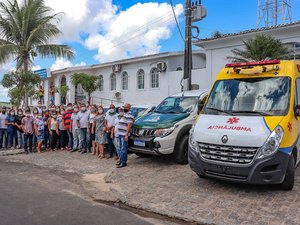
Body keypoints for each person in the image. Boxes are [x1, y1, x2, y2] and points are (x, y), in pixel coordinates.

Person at [116, 103, 134, 168]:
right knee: (120, 148)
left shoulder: (130, 115)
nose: (125, 108)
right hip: (120, 134)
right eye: (124, 107)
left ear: (129, 108)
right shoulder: (124, 115)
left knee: (123, 149)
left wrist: (126, 135)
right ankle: (121, 160)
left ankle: (124, 162)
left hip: (124, 135)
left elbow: (129, 125)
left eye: (126, 107)